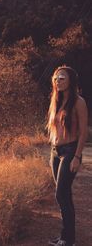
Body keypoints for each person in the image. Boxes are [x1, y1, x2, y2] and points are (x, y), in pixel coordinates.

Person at [46, 65, 88, 246]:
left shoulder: (79, 101)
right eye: (56, 78)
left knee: (61, 194)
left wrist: (77, 157)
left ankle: (67, 238)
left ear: (70, 80)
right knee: (65, 195)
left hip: (70, 152)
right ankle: (66, 237)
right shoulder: (56, 100)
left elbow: (83, 132)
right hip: (55, 152)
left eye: (62, 78)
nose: (58, 81)